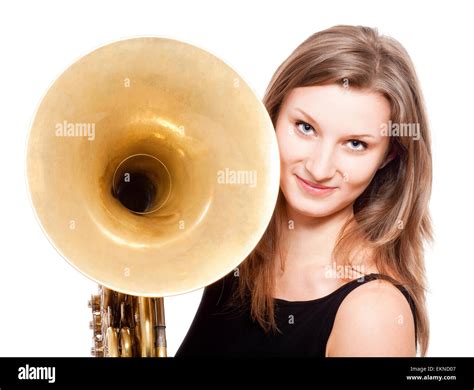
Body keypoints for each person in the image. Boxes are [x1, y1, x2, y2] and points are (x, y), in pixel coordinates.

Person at [176, 25, 432, 357]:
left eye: (355, 144)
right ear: (273, 115)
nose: (319, 168)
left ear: (389, 156)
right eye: (305, 127)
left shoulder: (373, 314)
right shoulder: (236, 255)